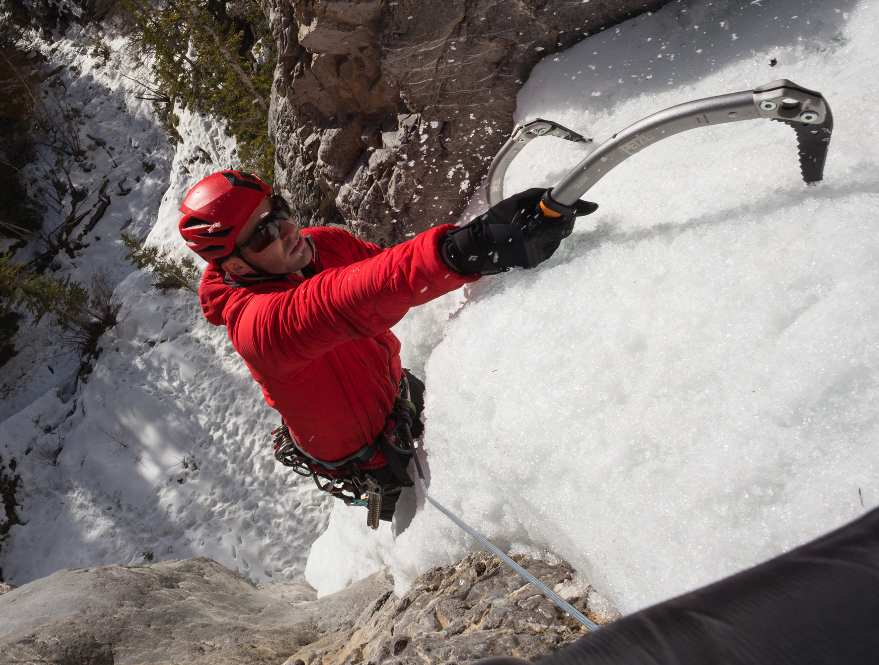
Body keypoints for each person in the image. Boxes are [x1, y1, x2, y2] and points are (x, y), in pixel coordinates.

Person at [179, 169, 595, 522]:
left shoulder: (324, 244)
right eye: (263, 234)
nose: (288, 229)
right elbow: (340, 300)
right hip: (373, 460)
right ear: (234, 265)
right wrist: (467, 249)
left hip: (395, 390)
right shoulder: (258, 328)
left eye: (279, 209)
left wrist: (480, 237)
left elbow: (387, 269)